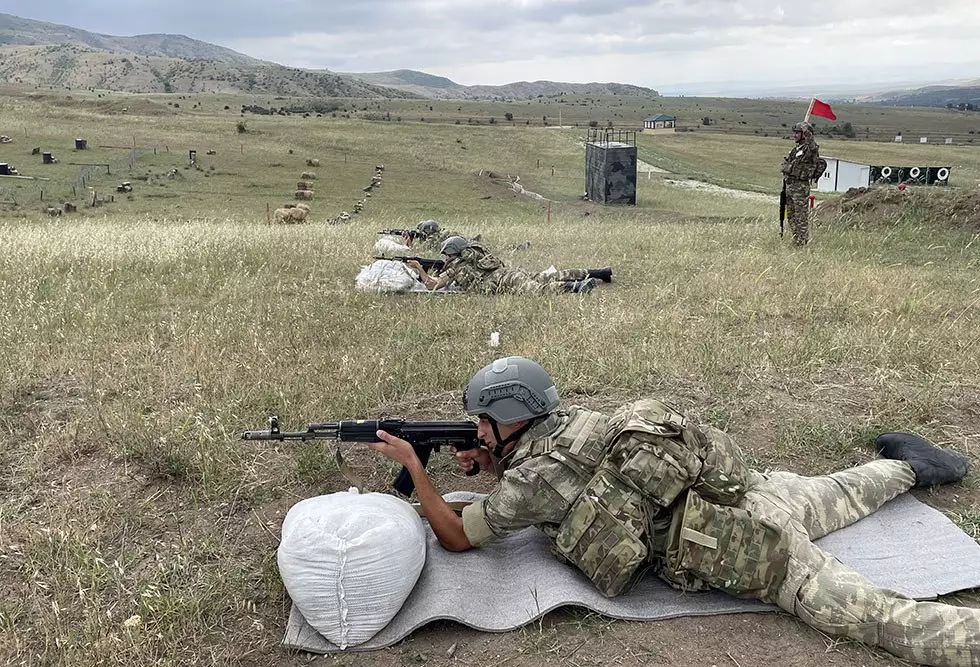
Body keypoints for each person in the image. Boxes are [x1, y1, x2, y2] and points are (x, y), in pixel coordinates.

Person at [368, 356, 978, 667]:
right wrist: (491, 462)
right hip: (749, 493)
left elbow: (454, 535)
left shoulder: (533, 483)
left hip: (749, 546)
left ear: (510, 420)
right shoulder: (578, 424)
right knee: (830, 493)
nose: (476, 430)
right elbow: (562, 475)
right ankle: (911, 466)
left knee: (875, 618)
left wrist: (417, 470)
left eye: (483, 422)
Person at [408, 236, 612, 295]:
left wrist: (419, 268)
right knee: (550, 275)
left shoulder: (457, 267)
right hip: (509, 272)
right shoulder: (476, 253)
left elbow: (432, 286)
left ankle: (575, 287)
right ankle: (599, 272)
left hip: (504, 281)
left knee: (537, 290)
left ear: (452, 253)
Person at [781, 121, 821, 246]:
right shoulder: (796, 150)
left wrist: (807, 133)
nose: (794, 135)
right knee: (791, 216)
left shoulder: (809, 150)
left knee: (801, 216)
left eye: (798, 133)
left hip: (800, 187)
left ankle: (802, 242)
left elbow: (813, 147)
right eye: (795, 133)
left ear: (804, 134)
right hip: (790, 185)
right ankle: (796, 239)